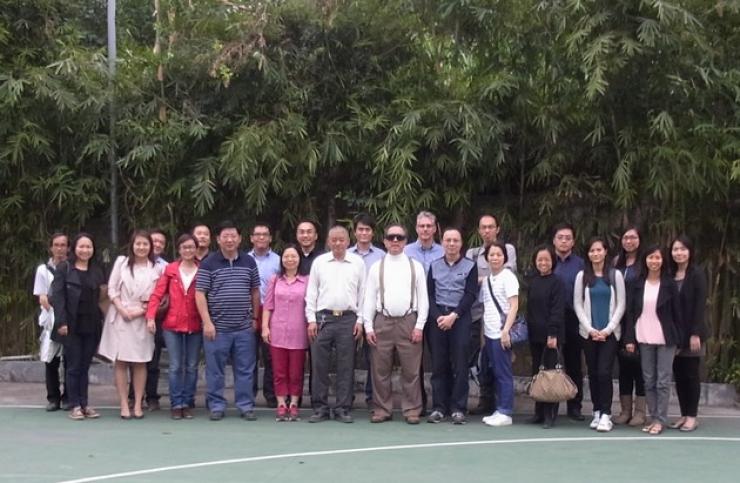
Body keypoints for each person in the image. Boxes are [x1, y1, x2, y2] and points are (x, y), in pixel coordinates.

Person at [195, 221, 261, 421]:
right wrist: (207, 322)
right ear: (218, 239)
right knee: (215, 371)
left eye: (233, 236)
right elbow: (200, 294)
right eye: (225, 236)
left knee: (245, 369)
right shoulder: (209, 263)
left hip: (244, 328)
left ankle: (245, 405)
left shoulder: (249, 262)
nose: (230, 240)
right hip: (217, 328)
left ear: (240, 239)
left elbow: (255, 291)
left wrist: (255, 318)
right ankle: (216, 405)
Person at [363, 224, 428, 424]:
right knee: (380, 370)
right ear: (384, 241)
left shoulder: (414, 265)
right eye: (391, 237)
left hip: (408, 320)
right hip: (382, 320)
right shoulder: (377, 266)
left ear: (405, 241)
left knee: (411, 370)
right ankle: (382, 409)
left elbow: (423, 298)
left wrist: (419, 325)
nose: (395, 241)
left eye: (399, 237)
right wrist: (368, 326)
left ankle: (412, 410)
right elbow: (369, 298)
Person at [99, 230, 163, 420]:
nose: (141, 247)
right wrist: (121, 309)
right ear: (132, 245)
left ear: (151, 247)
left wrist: (140, 312)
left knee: (140, 361)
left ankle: (137, 404)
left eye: (145, 244)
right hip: (120, 317)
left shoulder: (157, 269)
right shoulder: (121, 262)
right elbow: (112, 289)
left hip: (142, 319)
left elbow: (156, 298)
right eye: (138, 244)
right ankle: (123, 404)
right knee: (121, 361)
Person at [304, 226, 365, 423]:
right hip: (323, 318)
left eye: (341, 240)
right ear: (328, 242)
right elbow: (311, 293)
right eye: (334, 240)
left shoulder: (357, 263)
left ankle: (342, 407)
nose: (338, 243)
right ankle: (320, 407)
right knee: (319, 364)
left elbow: (363, 294)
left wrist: (361, 320)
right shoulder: (320, 262)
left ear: (348, 241)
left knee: (346, 365)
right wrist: (311, 320)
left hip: (348, 318)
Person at [624, 245, 681, 435]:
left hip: (666, 338)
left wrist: (679, 339)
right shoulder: (637, 283)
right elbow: (631, 313)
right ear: (645, 260)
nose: (654, 261)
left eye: (657, 258)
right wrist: (629, 338)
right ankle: (653, 416)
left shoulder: (669, 284)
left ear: (663, 260)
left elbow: (677, 314)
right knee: (648, 380)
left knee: (663, 381)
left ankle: (660, 420)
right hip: (643, 336)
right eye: (650, 257)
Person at [145, 234, 202, 420]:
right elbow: (156, 295)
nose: (188, 251)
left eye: (191, 247)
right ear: (179, 249)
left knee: (192, 366)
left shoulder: (202, 269)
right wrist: (151, 317)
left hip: (195, 324)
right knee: (176, 366)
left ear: (196, 249)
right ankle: (177, 404)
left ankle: (188, 402)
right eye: (184, 247)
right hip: (171, 324)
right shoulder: (170, 269)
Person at [51, 233, 107, 420]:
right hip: (71, 324)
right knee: (73, 366)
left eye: (88, 247)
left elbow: (102, 297)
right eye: (81, 246)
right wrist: (62, 322)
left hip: (92, 324)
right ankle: (74, 405)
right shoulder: (64, 268)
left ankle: (84, 404)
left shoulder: (97, 270)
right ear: (74, 248)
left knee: (84, 366)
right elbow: (58, 298)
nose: (85, 250)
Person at [465, 214, 517, 415]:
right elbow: (469, 279)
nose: (487, 230)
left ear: (497, 229)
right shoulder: (472, 252)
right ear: (479, 230)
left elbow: (507, 272)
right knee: (483, 362)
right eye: (483, 227)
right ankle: (485, 401)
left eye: (491, 227)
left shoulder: (508, 249)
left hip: (502, 320)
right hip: (479, 315)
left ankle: (503, 407)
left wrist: (482, 278)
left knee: (501, 365)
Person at [573, 236, 626, 432]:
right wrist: (590, 329)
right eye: (592, 251)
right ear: (588, 254)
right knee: (593, 373)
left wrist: (608, 329)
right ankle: (596, 411)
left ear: (605, 252)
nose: (595, 254)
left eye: (599, 250)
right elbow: (578, 304)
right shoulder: (582, 276)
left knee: (605, 372)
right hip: (588, 333)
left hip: (609, 334)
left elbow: (621, 304)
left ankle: (606, 413)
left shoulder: (615, 275)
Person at [426, 227, 477, 425]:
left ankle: (458, 408)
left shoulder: (470, 266)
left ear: (461, 243)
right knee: (439, 365)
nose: (451, 244)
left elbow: (471, 294)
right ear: (442, 242)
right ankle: (439, 407)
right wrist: (439, 317)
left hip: (460, 318)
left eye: (455, 240)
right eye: (448, 240)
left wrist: (453, 316)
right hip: (438, 318)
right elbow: (429, 295)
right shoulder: (434, 265)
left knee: (461, 365)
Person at [261, 244, 309, 422]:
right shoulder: (275, 279)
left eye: (293, 256)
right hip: (278, 331)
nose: (290, 259)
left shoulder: (307, 280)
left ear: (299, 259)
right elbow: (268, 305)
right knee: (279, 371)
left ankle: (294, 403)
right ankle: (281, 404)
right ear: (282, 260)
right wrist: (265, 327)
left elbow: (310, 306)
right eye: (286, 256)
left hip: (299, 331)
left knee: (296, 372)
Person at [405, 210, 444, 415]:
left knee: (438, 359)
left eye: (429, 226)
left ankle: (440, 404)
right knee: (414, 361)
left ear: (435, 228)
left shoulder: (444, 251)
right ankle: (417, 403)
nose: (425, 229)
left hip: (437, 311)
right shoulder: (406, 251)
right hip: (413, 311)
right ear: (416, 228)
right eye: (422, 226)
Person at [479, 241, 520, 427]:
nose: (495, 258)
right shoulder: (487, 279)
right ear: (486, 258)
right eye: (492, 255)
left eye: (499, 254)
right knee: (494, 371)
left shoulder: (508, 277)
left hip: (501, 333)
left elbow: (514, 305)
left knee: (504, 373)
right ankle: (499, 408)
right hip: (489, 332)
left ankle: (506, 411)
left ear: (505, 257)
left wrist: (506, 331)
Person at [669, 235, 707, 432]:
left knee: (691, 375)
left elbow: (700, 306)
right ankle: (684, 414)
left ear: (690, 252)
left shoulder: (697, 274)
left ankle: (692, 416)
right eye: (675, 249)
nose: (679, 253)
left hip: (692, 335)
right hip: (675, 335)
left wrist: (695, 333)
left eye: (683, 249)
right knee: (679, 375)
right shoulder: (670, 274)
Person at [525, 244, 566, 429]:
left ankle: (551, 414)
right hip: (535, 335)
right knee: (538, 373)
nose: (543, 263)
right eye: (540, 259)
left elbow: (557, 310)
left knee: (551, 375)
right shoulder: (533, 281)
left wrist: (553, 333)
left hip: (551, 336)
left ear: (553, 261)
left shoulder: (557, 282)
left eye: (547, 259)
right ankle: (539, 412)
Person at [348, 212, 386, 408]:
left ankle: (373, 398)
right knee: (348, 358)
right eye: (360, 229)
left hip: (374, 314)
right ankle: (347, 398)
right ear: (355, 232)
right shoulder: (345, 255)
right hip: (350, 313)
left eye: (367, 229)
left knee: (375, 358)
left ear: (373, 233)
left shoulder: (382, 256)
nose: (364, 233)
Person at [612, 225, 646, 426]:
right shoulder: (617, 263)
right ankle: (625, 410)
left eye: (633, 237)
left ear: (640, 240)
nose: (629, 241)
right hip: (618, 320)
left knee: (640, 366)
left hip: (640, 319)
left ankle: (640, 411)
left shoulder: (645, 263)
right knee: (624, 366)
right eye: (625, 237)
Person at [552, 222, 586, 420]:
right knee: (552, 363)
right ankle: (551, 406)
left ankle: (575, 406)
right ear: (554, 240)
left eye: (567, 238)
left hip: (574, 318)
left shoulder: (581, 264)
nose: (564, 241)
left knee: (574, 364)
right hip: (553, 320)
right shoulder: (547, 261)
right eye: (560, 237)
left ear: (573, 241)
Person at [133, 228, 168, 411]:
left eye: (161, 242)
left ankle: (152, 397)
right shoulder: (131, 264)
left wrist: (155, 309)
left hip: (157, 319)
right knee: (134, 358)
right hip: (133, 317)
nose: (158, 245)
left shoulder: (165, 267)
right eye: (154, 241)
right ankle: (133, 396)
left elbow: (167, 295)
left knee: (153, 360)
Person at [34, 232, 69, 411]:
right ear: (51, 247)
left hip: (68, 318)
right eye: (56, 245)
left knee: (70, 359)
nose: (60, 248)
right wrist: (48, 302)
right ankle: (53, 398)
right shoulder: (42, 270)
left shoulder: (72, 267)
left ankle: (68, 397)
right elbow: (41, 296)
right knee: (51, 360)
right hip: (51, 319)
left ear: (68, 248)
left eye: (63, 245)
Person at [248, 223, 280, 408]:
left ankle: (271, 396)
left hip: (271, 312)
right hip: (249, 312)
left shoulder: (278, 260)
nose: (261, 238)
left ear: (270, 238)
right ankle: (248, 395)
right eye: (257, 234)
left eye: (265, 234)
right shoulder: (243, 259)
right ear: (251, 238)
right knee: (248, 356)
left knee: (270, 357)